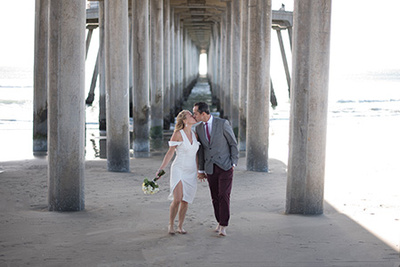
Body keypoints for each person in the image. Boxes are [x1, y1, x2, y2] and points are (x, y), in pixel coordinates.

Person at [193, 102, 239, 236]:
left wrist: (233, 163)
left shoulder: (222, 123)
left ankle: (224, 225)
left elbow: (233, 143)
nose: (194, 115)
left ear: (203, 113)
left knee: (224, 195)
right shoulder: (199, 128)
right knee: (215, 197)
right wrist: (200, 170)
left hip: (225, 165)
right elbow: (201, 151)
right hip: (210, 167)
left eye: (195, 113)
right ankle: (219, 222)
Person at [156, 110, 199, 235]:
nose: (193, 116)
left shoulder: (195, 134)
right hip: (179, 169)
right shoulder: (178, 134)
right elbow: (170, 152)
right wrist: (161, 168)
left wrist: (198, 170)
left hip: (191, 171)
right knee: (178, 199)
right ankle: (171, 224)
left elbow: (196, 155)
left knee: (186, 200)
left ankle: (180, 226)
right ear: (185, 120)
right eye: (190, 115)